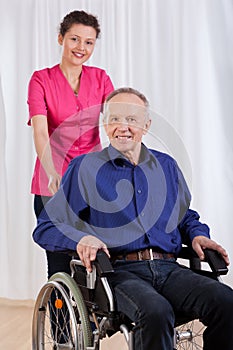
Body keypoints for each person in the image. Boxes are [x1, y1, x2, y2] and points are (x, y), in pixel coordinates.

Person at [33, 87, 233, 350]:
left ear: (146, 125)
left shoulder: (166, 166)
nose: (122, 127)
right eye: (115, 118)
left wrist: (198, 234)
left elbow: (184, 217)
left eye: (132, 119)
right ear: (105, 124)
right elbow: (47, 225)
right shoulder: (86, 168)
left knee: (226, 301)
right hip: (117, 273)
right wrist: (82, 238)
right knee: (156, 311)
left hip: (169, 269)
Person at [27, 10, 114, 279]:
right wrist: (53, 172)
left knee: (97, 260)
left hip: (91, 183)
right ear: (60, 39)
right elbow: (41, 132)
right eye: (75, 39)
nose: (81, 48)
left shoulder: (100, 78)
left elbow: (116, 123)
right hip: (52, 182)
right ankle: (60, 320)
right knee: (60, 264)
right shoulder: (41, 79)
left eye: (89, 42)